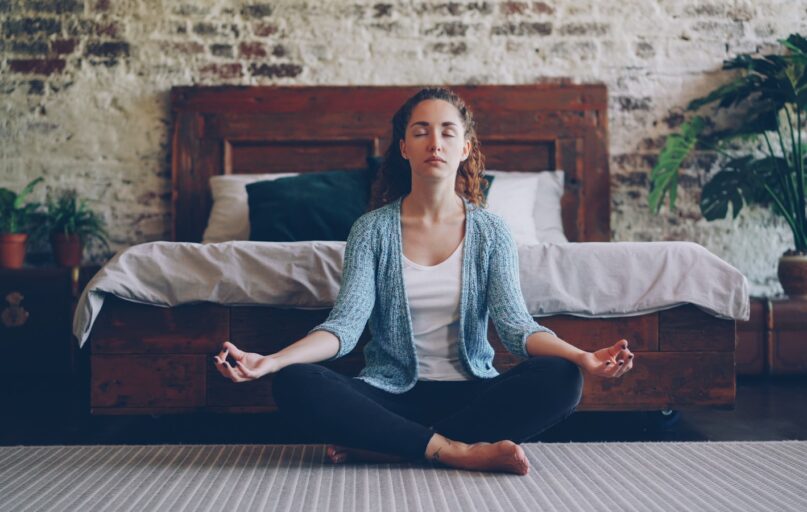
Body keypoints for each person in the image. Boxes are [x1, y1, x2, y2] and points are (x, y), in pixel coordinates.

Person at [213, 87, 634, 476]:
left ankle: (390, 445)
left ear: (465, 148)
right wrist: (273, 361)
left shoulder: (492, 232)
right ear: (403, 148)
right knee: (294, 382)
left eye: (448, 132)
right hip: (387, 395)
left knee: (562, 377)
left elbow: (517, 327)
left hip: (471, 394)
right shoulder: (371, 230)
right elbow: (344, 327)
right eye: (422, 131)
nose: (435, 142)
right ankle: (458, 451)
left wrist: (582, 357)